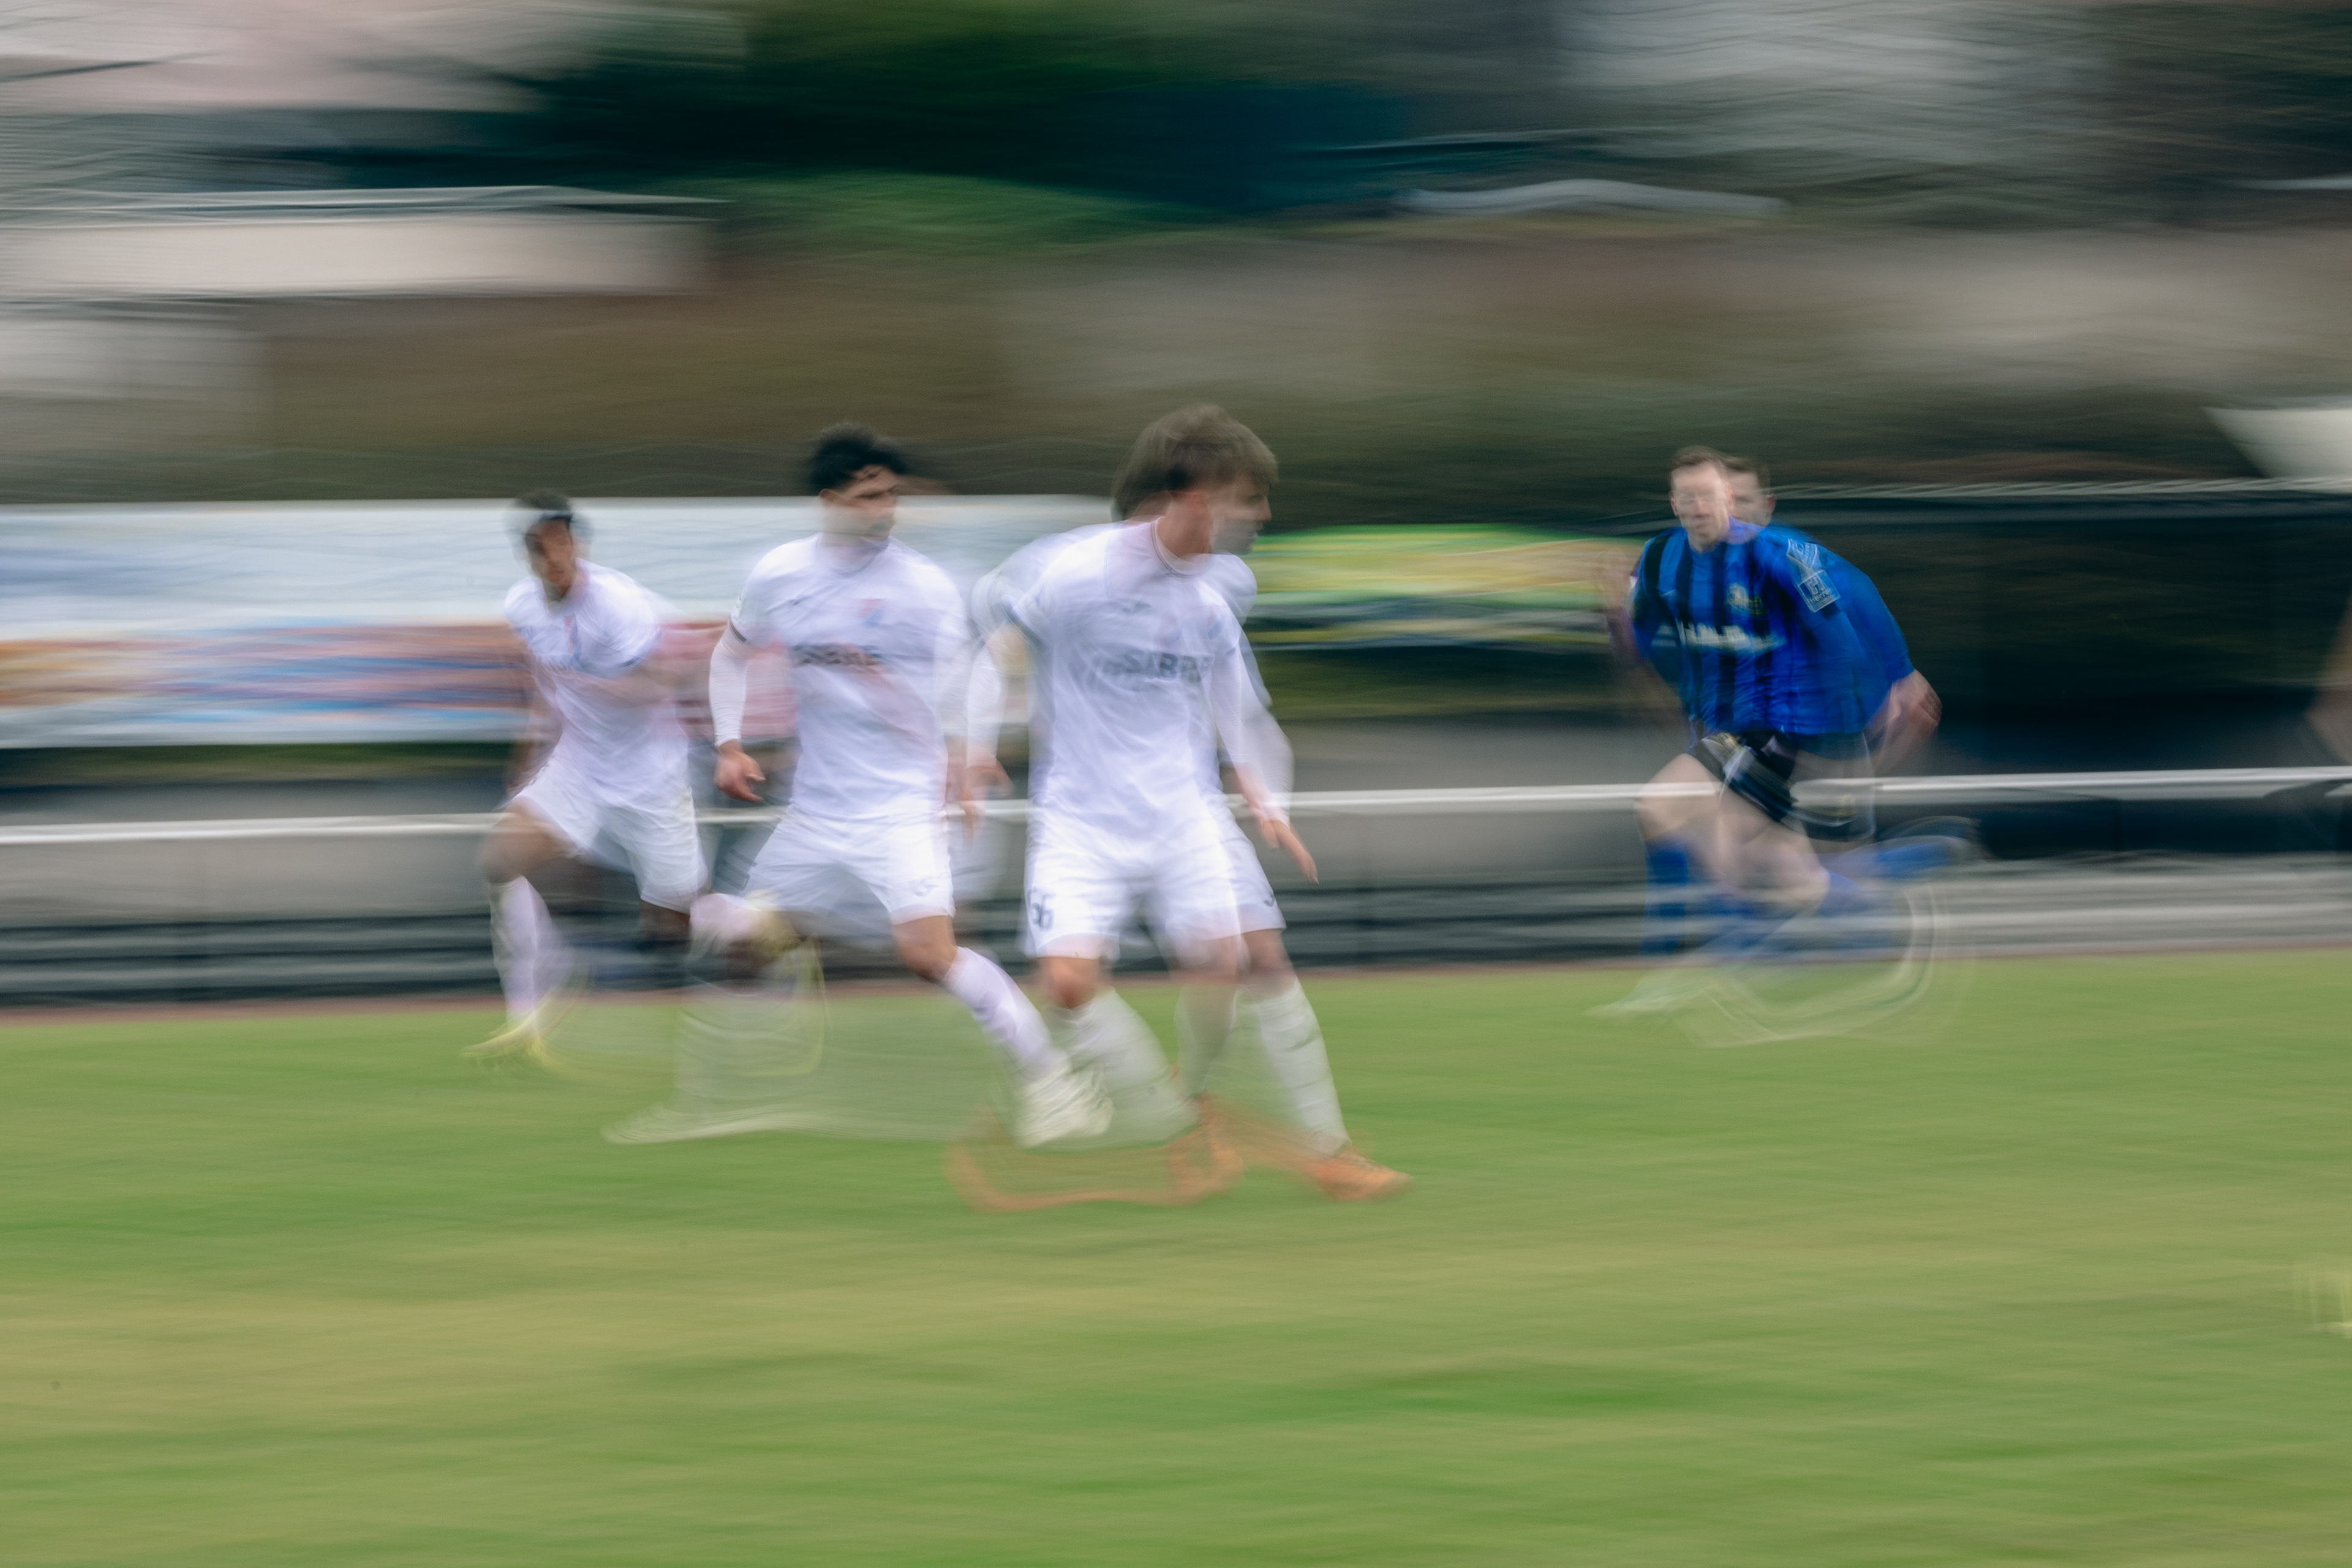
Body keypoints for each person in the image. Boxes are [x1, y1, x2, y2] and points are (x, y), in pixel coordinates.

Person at [982, 405, 1406, 1200]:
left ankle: (1326, 1149)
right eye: (1248, 496)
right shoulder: (1074, 577)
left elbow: (1239, 710)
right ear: (1197, 495)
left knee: (1247, 960)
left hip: (1185, 817)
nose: (1263, 515)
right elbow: (997, 646)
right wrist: (971, 745)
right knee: (1070, 986)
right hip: (1082, 820)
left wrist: (1264, 794)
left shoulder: (1217, 595)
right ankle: (1182, 1116)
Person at [691, 423, 1110, 1151]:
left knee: (929, 957)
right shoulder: (782, 573)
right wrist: (728, 744)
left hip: (900, 809)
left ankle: (1055, 1084)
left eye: (893, 494)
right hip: (817, 810)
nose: (887, 508)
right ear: (830, 501)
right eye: (870, 495)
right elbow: (730, 656)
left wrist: (972, 753)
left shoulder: (923, 586)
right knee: (737, 937)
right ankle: (732, 1085)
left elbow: (969, 675)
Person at [1610, 449, 1901, 981]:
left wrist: (1856, 718)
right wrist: (1615, 623)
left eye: (1709, 494)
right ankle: (1855, 909)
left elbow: (1841, 643)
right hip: (1722, 730)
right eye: (1687, 496)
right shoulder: (1660, 560)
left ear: (1729, 499)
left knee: (1683, 820)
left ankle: (1673, 954)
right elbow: (1638, 635)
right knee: (1753, 857)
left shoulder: (1778, 556)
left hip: (1780, 725)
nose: (1699, 506)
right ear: (1674, 503)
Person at [473, 492, 704, 1059]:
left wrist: (598, 688)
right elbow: (545, 687)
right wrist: (530, 755)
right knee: (499, 863)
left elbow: (664, 680)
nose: (554, 556)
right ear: (527, 555)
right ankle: (530, 1011)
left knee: (677, 924)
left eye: (563, 541)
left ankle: (761, 924)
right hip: (579, 767)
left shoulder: (618, 605)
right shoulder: (523, 607)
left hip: (652, 776)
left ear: (577, 544)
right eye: (540, 546)